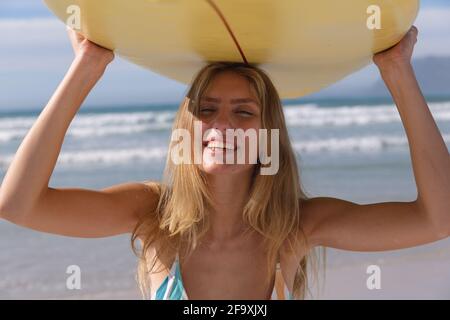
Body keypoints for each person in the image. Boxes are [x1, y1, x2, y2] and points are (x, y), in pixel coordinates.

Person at [0, 26, 448, 300]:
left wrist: (397, 72)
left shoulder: (297, 227)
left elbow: (438, 218)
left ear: (268, 133)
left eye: (244, 112)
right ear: (186, 127)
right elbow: (19, 204)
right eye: (207, 110)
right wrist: (87, 67)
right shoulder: (152, 216)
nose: (223, 127)